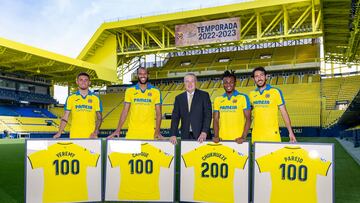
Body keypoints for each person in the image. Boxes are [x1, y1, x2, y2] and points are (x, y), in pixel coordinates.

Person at [107, 67, 162, 140]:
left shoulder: (156, 91)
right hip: (132, 133)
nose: (143, 76)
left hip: (150, 133)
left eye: (145, 74)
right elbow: (125, 111)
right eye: (140, 74)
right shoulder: (130, 91)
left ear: (148, 75)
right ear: (137, 75)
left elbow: (159, 114)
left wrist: (157, 131)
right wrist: (118, 129)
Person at [249, 67, 296, 143]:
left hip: (272, 135)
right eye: (256, 76)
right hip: (256, 135)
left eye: (261, 75)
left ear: (266, 77)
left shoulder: (275, 92)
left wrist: (290, 132)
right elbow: (248, 115)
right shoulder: (252, 94)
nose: (259, 78)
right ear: (254, 79)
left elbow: (284, 112)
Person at [54, 72, 102, 139]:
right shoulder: (71, 98)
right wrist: (59, 133)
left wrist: (95, 132)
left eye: (86, 80)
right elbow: (65, 117)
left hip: (91, 137)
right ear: (77, 82)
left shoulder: (96, 98)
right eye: (81, 80)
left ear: (89, 82)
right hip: (75, 136)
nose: (83, 82)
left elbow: (99, 118)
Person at [170, 73, 212, 144]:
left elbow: (208, 115)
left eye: (192, 81)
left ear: (196, 82)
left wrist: (204, 132)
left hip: (202, 136)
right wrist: (173, 134)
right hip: (185, 135)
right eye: (187, 81)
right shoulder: (179, 98)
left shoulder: (204, 95)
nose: (190, 84)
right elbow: (175, 117)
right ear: (184, 83)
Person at [212, 70, 251, 144]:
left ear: (235, 83)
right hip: (222, 140)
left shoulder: (243, 97)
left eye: (231, 82)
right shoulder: (218, 99)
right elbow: (216, 120)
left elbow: (248, 119)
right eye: (226, 82)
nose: (228, 85)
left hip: (238, 140)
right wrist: (216, 136)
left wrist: (243, 137)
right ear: (223, 84)